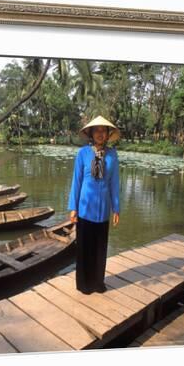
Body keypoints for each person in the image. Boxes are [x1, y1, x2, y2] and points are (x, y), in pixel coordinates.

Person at [67, 115, 121, 294]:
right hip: (84, 209)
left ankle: (98, 282)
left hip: (103, 211)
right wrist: (73, 207)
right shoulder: (83, 153)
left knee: (99, 249)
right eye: (96, 130)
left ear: (107, 134)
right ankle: (84, 283)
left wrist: (116, 208)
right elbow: (77, 181)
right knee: (84, 248)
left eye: (103, 130)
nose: (100, 133)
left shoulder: (112, 155)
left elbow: (114, 183)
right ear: (91, 133)